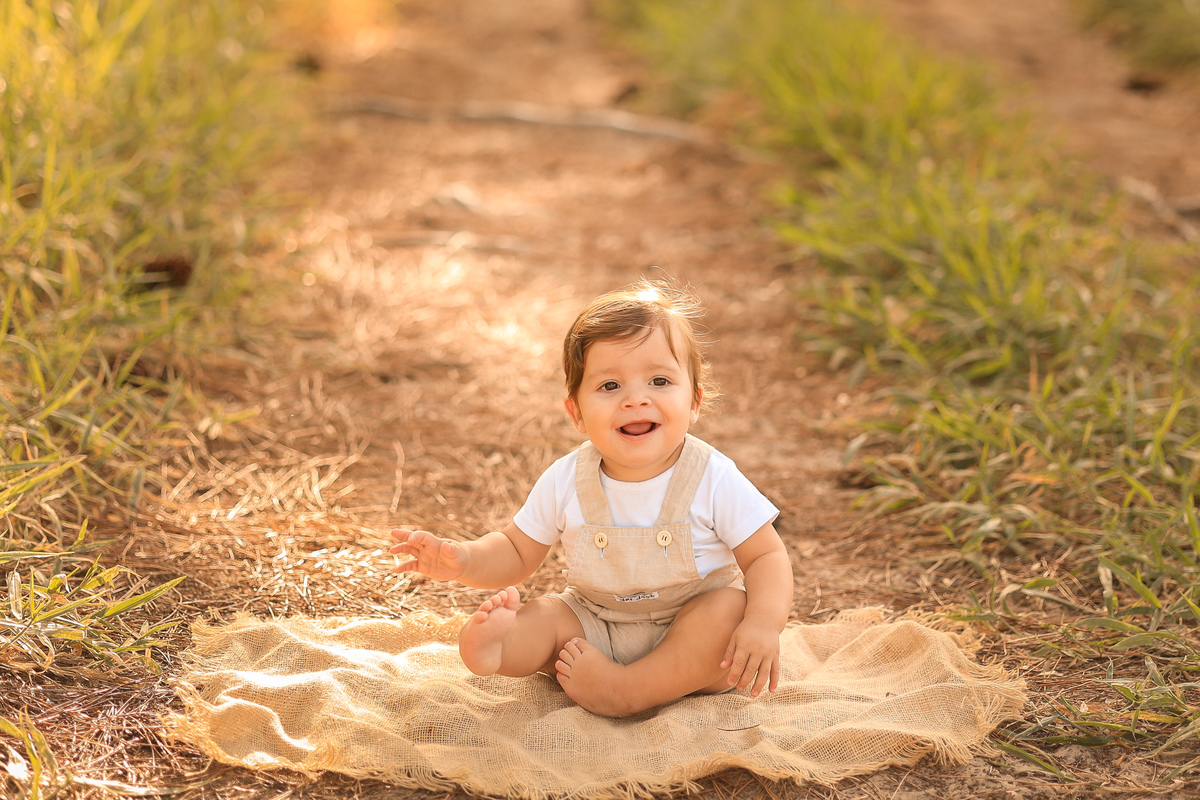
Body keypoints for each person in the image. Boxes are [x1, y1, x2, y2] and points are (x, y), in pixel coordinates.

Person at [389, 279, 793, 718]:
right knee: (546, 616)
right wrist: (464, 560)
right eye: (609, 386)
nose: (636, 399)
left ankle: (628, 691)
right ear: (577, 413)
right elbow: (515, 550)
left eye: (659, 380)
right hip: (595, 626)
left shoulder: (712, 476)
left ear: (694, 401)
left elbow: (766, 557)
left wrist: (762, 625)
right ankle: (497, 650)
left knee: (729, 608)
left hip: (691, 637)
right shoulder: (567, 479)